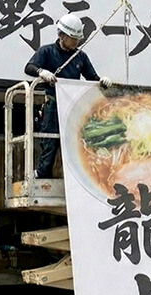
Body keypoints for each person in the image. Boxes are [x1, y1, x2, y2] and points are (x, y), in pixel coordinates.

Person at [24, 13, 111, 178]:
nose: (76, 42)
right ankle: (42, 174)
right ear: (61, 36)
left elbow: (92, 78)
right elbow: (29, 67)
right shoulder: (47, 51)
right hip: (53, 104)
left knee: (75, 142)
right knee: (50, 141)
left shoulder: (80, 57)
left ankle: (74, 177)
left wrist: (102, 81)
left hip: (73, 105)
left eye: (78, 39)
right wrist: (41, 72)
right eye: (73, 38)